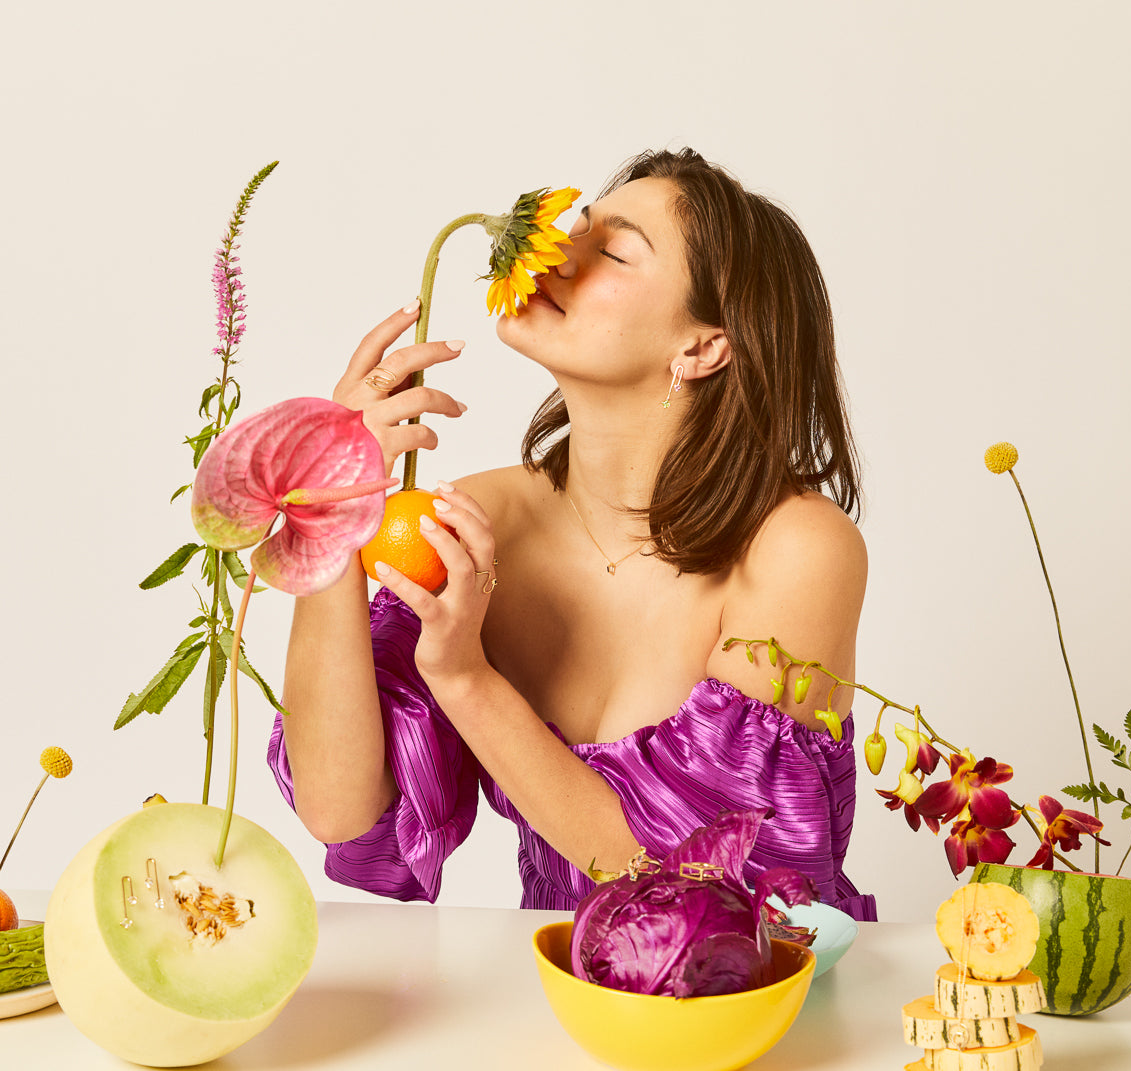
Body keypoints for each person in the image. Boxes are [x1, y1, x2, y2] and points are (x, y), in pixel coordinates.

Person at [268, 147, 876, 920]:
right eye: (573, 230)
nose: (553, 256)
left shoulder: (799, 550)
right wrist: (332, 512)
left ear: (702, 345)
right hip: (558, 1002)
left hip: (758, 1016)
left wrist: (465, 679)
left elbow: (706, 898)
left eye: (612, 250)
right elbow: (338, 809)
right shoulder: (481, 524)